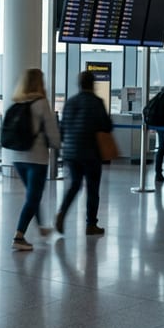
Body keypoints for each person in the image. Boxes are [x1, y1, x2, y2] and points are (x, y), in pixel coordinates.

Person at [55, 70, 112, 236]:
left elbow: (63, 129)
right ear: (92, 84)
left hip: (72, 153)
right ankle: (91, 224)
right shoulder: (96, 102)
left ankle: (62, 212)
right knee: (93, 189)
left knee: (75, 184)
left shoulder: (70, 102)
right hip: (91, 153)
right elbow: (106, 126)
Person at [8, 69, 60, 251]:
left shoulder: (17, 102)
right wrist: (57, 145)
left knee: (33, 195)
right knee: (33, 197)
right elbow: (53, 133)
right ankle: (19, 236)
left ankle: (41, 227)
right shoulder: (41, 103)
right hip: (36, 157)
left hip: (17, 157)